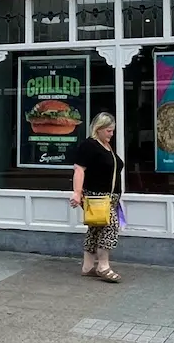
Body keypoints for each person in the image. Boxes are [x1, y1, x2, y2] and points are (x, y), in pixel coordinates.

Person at [69, 112, 125, 283]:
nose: (112, 134)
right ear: (98, 129)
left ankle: (87, 267)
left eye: (112, 131)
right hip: (97, 197)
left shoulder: (105, 145)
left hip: (108, 198)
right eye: (108, 131)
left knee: (96, 229)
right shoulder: (90, 145)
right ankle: (103, 266)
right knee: (110, 226)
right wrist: (77, 193)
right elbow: (79, 169)